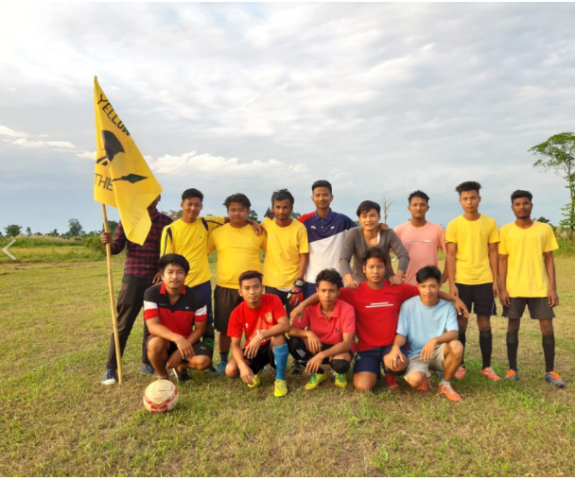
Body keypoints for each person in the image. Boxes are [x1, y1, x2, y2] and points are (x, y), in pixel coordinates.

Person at [292, 247, 468, 392]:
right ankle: (374, 368)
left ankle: (389, 370)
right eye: (371, 267)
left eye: (380, 267)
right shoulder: (354, 291)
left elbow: (427, 290)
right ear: (364, 269)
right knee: (362, 387)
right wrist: (302, 305)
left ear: (386, 268)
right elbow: (326, 293)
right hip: (367, 348)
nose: (375, 271)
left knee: (398, 365)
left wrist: (454, 299)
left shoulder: (398, 288)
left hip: (392, 346)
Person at [161, 188, 262, 374]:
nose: (193, 208)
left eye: (197, 205)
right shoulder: (178, 230)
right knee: (216, 326)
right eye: (189, 204)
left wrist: (253, 221)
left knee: (209, 324)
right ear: (182, 204)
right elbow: (172, 258)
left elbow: (236, 220)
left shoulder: (211, 225)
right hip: (198, 285)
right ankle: (211, 360)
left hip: (209, 284)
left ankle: (238, 360)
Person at [100, 195, 172, 385]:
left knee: (152, 324)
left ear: (159, 197)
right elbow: (116, 247)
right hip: (133, 278)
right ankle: (111, 368)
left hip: (156, 281)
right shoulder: (128, 219)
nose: (150, 198)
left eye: (154, 194)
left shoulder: (166, 222)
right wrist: (108, 242)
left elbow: (170, 250)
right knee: (123, 324)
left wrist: (162, 271)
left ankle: (148, 364)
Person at [499, 190, 564, 387]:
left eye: (525, 203)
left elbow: (549, 259)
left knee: (547, 328)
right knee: (513, 327)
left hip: (540, 288)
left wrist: (552, 288)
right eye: (517, 204)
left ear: (531, 206)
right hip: (514, 288)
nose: (522, 207)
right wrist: (503, 289)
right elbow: (502, 261)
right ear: (512, 208)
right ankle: (512, 369)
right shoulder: (505, 231)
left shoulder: (544, 229)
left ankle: (550, 371)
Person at [446, 181, 500, 381]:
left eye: (473, 198)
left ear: (479, 199)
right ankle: (460, 365)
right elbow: (450, 256)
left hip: (484, 281)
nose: (469, 202)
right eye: (465, 199)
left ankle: (486, 366)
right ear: (460, 201)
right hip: (462, 282)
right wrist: (452, 284)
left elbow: (493, 253)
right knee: (461, 325)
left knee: (484, 324)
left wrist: (495, 281)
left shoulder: (490, 223)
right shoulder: (454, 225)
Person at [208, 193, 266, 375]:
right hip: (226, 287)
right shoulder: (217, 233)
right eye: (233, 209)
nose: (237, 213)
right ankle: (223, 360)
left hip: (252, 289)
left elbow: (272, 252)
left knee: (257, 326)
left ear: (248, 211)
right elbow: (203, 252)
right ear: (227, 211)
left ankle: (259, 359)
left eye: (241, 210)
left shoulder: (258, 232)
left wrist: (252, 223)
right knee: (225, 327)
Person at [389, 266, 463, 402]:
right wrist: (395, 347)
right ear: (418, 286)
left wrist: (434, 340)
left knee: (456, 346)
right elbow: (401, 334)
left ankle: (445, 384)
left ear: (439, 285)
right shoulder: (408, 305)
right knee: (415, 381)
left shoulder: (447, 306)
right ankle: (424, 375)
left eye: (432, 286)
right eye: (423, 286)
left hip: (437, 351)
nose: (428, 291)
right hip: (416, 355)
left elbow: (454, 333)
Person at [144, 254, 213, 382]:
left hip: (187, 341)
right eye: (170, 272)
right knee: (155, 344)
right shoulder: (151, 293)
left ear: (185, 275)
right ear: (162, 275)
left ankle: (180, 366)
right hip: (164, 341)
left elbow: (200, 329)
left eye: (180, 272)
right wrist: (178, 339)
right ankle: (163, 376)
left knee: (203, 362)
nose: (175, 276)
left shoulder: (197, 297)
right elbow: (153, 326)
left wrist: (181, 351)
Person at [225, 271, 290, 397]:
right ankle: (256, 371)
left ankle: (280, 378)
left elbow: (285, 325)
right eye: (247, 288)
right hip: (253, 349)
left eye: (256, 287)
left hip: (272, 345)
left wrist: (261, 336)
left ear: (262, 288)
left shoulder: (273, 299)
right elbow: (235, 345)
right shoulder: (236, 313)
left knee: (278, 336)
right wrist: (242, 366)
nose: (252, 292)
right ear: (240, 292)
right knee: (230, 370)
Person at [288, 269, 355, 390]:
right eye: (323, 290)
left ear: (339, 292)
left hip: (339, 348)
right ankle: (318, 373)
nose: (327, 295)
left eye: (331, 291)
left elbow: (347, 344)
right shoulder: (309, 308)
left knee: (340, 364)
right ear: (317, 291)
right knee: (293, 343)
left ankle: (339, 373)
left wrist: (322, 355)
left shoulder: (347, 309)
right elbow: (290, 331)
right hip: (317, 346)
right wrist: (308, 333)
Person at [297, 180, 358, 298]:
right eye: (317, 195)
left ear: (331, 197)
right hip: (311, 282)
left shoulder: (343, 220)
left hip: (337, 281)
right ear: (312, 198)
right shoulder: (304, 221)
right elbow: (286, 229)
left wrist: (380, 227)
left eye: (325, 194)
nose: (321, 198)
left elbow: (363, 233)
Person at [340, 200, 409, 288]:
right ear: (359, 219)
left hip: (383, 283)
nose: (368, 220)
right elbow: (344, 258)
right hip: (359, 284)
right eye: (364, 216)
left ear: (379, 217)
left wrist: (398, 276)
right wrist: (350, 281)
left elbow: (403, 255)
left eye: (372, 215)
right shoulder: (353, 233)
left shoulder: (388, 233)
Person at [261, 189, 309, 314]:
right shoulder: (267, 223)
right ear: (272, 208)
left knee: (295, 319)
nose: (281, 211)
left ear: (291, 208)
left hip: (294, 283)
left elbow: (304, 255)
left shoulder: (299, 228)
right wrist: (252, 222)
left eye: (285, 207)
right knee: (273, 321)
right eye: (277, 207)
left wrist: (300, 280)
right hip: (272, 283)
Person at [394, 190, 447, 286]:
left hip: (429, 286)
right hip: (405, 285)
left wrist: (444, 277)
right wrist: (392, 275)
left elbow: (451, 254)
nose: (418, 208)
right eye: (415, 205)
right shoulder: (398, 230)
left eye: (422, 205)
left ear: (427, 208)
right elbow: (384, 253)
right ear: (409, 208)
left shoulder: (438, 230)